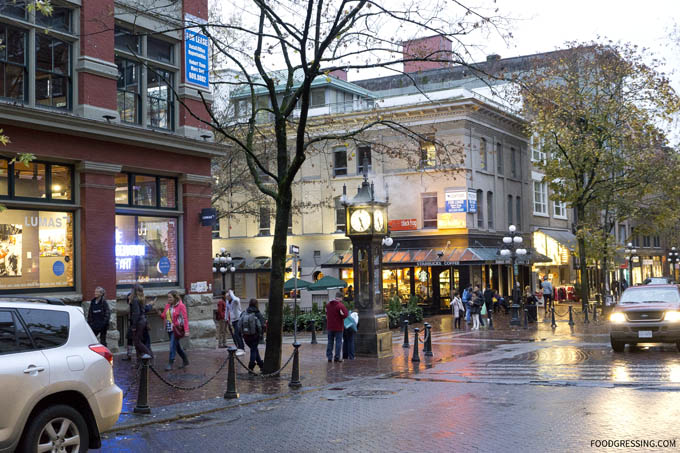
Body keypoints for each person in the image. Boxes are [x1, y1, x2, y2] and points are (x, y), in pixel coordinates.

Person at [157, 290, 189, 371]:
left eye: (170, 297)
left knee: (172, 346)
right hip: (168, 328)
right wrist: (159, 313)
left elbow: (185, 319)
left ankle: (170, 363)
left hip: (176, 329)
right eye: (168, 297)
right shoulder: (168, 305)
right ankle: (185, 360)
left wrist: (186, 330)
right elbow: (164, 316)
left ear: (175, 297)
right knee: (177, 347)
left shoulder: (181, 306)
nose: (168, 299)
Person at [239, 299, 266, 372]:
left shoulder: (245, 313)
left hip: (246, 336)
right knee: (253, 350)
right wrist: (261, 335)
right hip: (255, 336)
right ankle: (250, 367)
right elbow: (263, 325)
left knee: (254, 349)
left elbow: (239, 324)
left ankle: (261, 364)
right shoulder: (257, 313)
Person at [129, 284, 153, 359]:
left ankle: (149, 354)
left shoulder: (135, 300)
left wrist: (134, 326)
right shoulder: (141, 299)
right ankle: (140, 361)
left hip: (139, 322)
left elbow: (136, 313)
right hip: (142, 321)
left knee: (137, 342)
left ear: (134, 291)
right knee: (138, 342)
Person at [325, 291, 348, 362]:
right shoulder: (340, 305)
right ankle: (337, 357)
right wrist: (341, 315)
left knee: (330, 342)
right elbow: (345, 315)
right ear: (341, 298)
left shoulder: (328, 305)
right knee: (338, 342)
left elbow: (326, 312)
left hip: (330, 326)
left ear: (336, 297)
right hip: (338, 327)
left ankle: (329, 357)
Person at [227, 289, 245, 355]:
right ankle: (240, 347)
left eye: (228, 295)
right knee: (237, 335)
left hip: (238, 319)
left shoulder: (236, 300)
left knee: (237, 334)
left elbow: (235, 299)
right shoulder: (228, 302)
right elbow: (227, 310)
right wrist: (226, 319)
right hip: (233, 320)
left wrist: (231, 293)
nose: (226, 297)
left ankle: (241, 348)